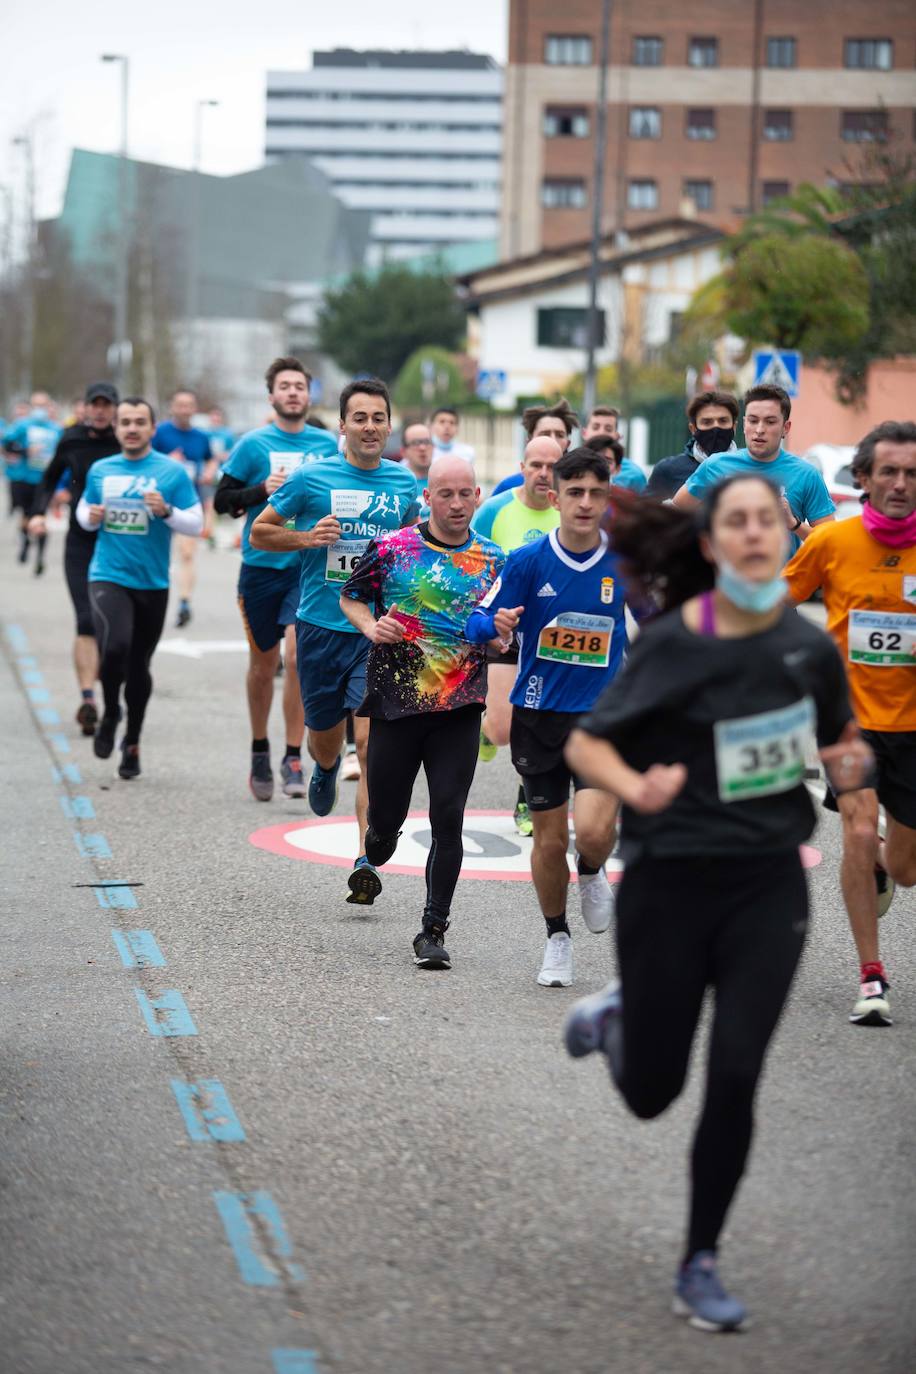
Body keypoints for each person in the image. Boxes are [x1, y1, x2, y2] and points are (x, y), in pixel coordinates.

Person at [562, 474, 869, 1332]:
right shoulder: (673, 645)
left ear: (785, 537)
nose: (753, 535)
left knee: (736, 1072)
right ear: (711, 544)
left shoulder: (806, 650)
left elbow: (840, 740)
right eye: (735, 522)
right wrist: (637, 787)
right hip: (669, 881)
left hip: (767, 882)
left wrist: (853, 777)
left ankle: (700, 1259)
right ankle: (619, 1022)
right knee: (654, 1093)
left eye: (767, 521)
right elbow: (589, 743)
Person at [250, 378, 420, 899]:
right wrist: (308, 537)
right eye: (359, 418)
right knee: (326, 737)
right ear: (342, 425)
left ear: (389, 425)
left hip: (378, 632)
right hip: (321, 630)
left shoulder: (404, 483)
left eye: (378, 418)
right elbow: (260, 531)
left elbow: (415, 549)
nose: (370, 427)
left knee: (368, 745)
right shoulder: (311, 478)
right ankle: (322, 764)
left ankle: (367, 857)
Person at [466, 448, 627, 986]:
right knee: (549, 840)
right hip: (539, 713)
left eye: (595, 494)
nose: (585, 504)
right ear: (554, 497)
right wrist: (495, 625)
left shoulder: (626, 562)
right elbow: (477, 620)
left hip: (602, 718)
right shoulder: (528, 561)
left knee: (598, 832)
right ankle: (557, 937)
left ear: (608, 499)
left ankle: (591, 870)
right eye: (574, 493)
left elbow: (665, 621)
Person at [339, 455, 505, 962]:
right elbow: (351, 597)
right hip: (395, 707)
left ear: (478, 496)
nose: (456, 505)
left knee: (447, 818)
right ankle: (379, 840)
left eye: (465, 495)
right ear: (427, 498)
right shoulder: (393, 548)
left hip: (458, 709)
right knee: (387, 818)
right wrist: (371, 627)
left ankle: (433, 930)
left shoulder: (497, 560)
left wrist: (503, 636)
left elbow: (507, 629)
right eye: (445, 495)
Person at [784, 420, 916, 1027]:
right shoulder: (832, 543)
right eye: (888, 471)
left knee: (906, 868)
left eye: (911, 473)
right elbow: (770, 602)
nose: (900, 483)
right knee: (859, 832)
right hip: (850, 721)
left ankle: (890, 865)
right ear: (863, 478)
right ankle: (871, 974)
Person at [214, 357, 338, 801]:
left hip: (308, 571)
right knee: (263, 666)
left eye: (299, 386)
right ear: (271, 396)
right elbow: (221, 501)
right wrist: (260, 490)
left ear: (309, 395)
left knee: (297, 654)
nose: (292, 393)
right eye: (284, 386)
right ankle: (258, 749)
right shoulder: (253, 444)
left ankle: (292, 756)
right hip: (261, 569)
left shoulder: (328, 445)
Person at [76, 398, 203, 778]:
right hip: (108, 574)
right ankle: (112, 710)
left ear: (152, 429)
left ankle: (132, 740)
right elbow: (83, 513)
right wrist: (90, 516)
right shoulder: (101, 470)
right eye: (125, 422)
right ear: (116, 429)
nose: (131, 428)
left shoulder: (171, 473)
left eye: (139, 422)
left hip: (153, 582)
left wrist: (167, 511)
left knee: (139, 665)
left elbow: (195, 524)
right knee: (114, 646)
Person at [471, 434, 564, 835]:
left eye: (552, 467)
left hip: (554, 639)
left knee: (542, 724)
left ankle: (527, 800)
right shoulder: (495, 510)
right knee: (501, 730)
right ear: (522, 467)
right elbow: (469, 561)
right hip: (505, 633)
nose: (543, 474)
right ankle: (486, 725)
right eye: (536, 465)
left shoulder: (570, 512)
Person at [28, 382, 121, 734]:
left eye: (106, 405)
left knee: (112, 629)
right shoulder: (71, 439)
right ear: (85, 407)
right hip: (80, 543)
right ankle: (88, 699)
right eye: (94, 404)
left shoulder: (126, 441)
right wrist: (37, 513)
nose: (99, 410)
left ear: (115, 408)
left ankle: (110, 691)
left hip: (119, 546)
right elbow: (49, 480)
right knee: (85, 620)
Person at [672, 384, 834, 556]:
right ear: (743, 424)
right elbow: (675, 515)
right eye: (753, 420)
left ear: (785, 428)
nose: (759, 430)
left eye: (770, 422)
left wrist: (793, 524)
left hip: (783, 581)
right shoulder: (715, 466)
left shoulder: (806, 475)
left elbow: (831, 544)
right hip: (724, 581)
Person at [154, 389, 213, 626]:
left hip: (189, 502)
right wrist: (169, 462)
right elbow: (145, 460)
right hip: (159, 502)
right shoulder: (160, 433)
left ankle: (184, 602)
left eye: (189, 405)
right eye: (180, 405)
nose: (184, 410)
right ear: (172, 407)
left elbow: (210, 458)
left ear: (194, 409)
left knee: (187, 554)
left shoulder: (201, 437)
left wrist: (209, 470)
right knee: (159, 554)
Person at [3, 390, 62, 574]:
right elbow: (6, 445)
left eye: (43, 405)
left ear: (49, 406)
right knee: (26, 515)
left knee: (41, 518)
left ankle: (40, 558)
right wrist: (25, 451)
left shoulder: (57, 430)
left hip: (45, 482)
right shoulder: (22, 426)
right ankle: (26, 543)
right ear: (31, 407)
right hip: (23, 479)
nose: (40, 409)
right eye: (36, 405)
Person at [647, 390, 740, 500]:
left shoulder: (750, 467)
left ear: (734, 426)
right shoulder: (669, 470)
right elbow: (645, 513)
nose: (716, 427)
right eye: (707, 422)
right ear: (693, 429)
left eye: (723, 421)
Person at [489, 398, 575, 497]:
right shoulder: (509, 487)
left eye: (559, 435)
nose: (553, 440)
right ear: (529, 441)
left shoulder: (579, 486)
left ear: (568, 444)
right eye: (545, 434)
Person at [582, 406, 646, 492]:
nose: (601, 432)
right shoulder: (569, 466)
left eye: (608, 429)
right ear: (584, 433)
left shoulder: (634, 475)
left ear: (617, 436)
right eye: (595, 427)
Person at [400, 419, 434, 518]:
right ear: (403, 452)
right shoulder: (398, 483)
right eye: (416, 443)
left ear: (433, 447)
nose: (422, 448)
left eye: (426, 442)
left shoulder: (445, 480)